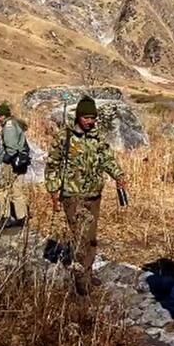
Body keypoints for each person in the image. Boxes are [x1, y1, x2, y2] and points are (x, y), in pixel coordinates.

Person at [44, 96, 125, 296]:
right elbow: (52, 165)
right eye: (86, 117)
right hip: (73, 195)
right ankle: (81, 283)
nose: (90, 121)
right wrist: (53, 190)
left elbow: (107, 159)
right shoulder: (65, 137)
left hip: (94, 194)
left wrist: (118, 175)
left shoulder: (98, 137)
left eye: (93, 118)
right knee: (80, 238)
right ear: (78, 117)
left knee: (91, 238)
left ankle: (87, 272)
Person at [0, 102, 29, 228]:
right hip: (20, 162)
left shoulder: (9, 126)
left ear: (6, 115)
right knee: (17, 190)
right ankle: (21, 217)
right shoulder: (15, 124)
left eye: (1, 115)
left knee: (2, 189)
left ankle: (5, 216)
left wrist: (5, 160)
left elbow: (11, 148)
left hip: (11, 163)